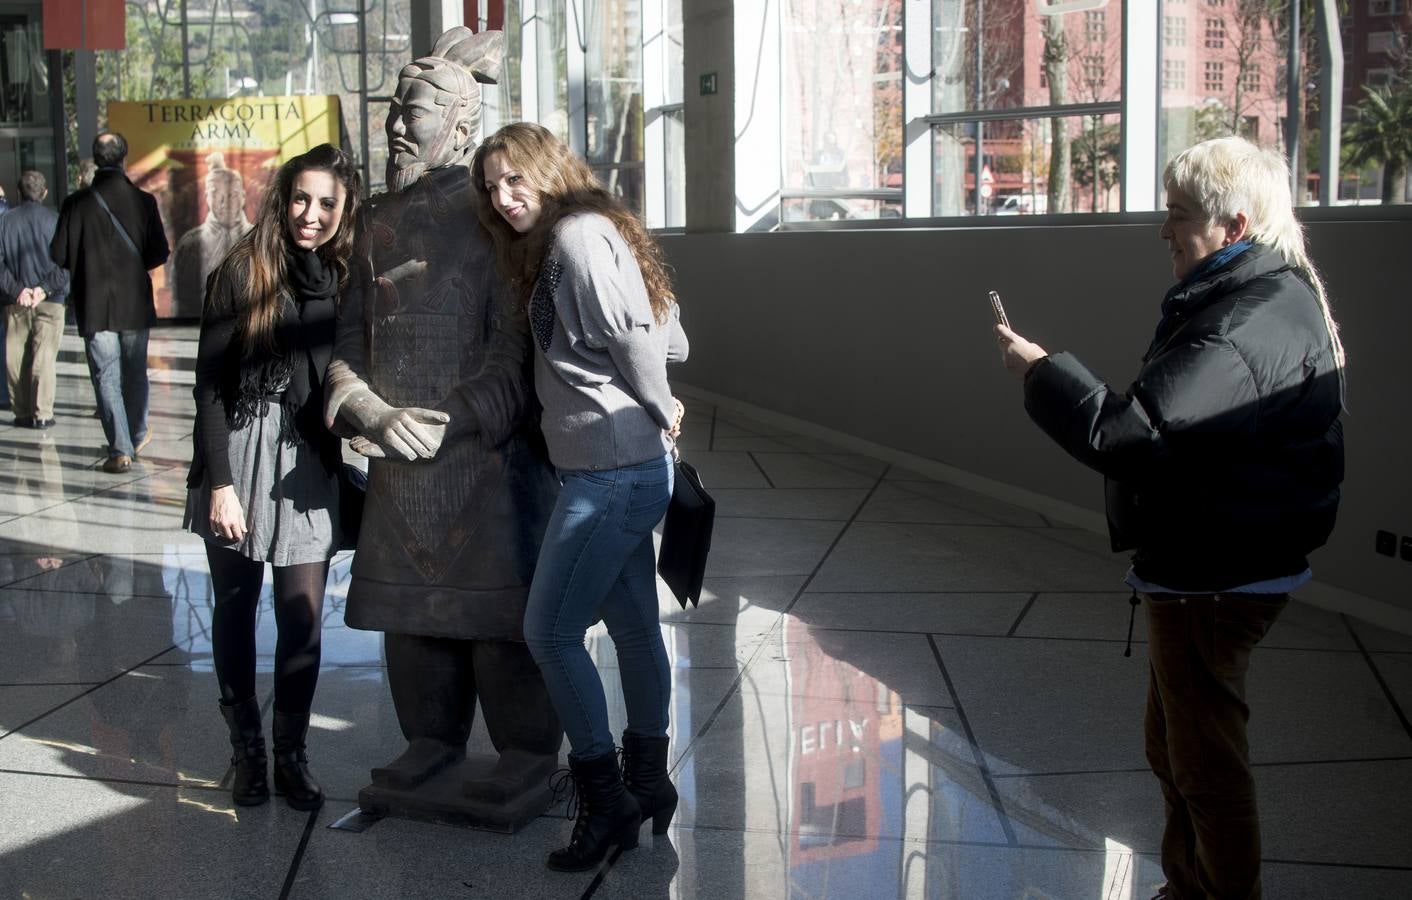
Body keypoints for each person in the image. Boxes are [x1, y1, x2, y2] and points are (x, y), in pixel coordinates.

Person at [996, 136, 1345, 900]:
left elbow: (1136, 435)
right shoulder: (1257, 298)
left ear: (1235, 226)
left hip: (1216, 571)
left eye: (1178, 214)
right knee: (1174, 744)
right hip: (1210, 558)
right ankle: (1188, 885)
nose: (1164, 230)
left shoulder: (1244, 324)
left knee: (1203, 760)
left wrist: (1043, 375)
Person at [323, 27, 564, 829]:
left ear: (462, 125)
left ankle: (529, 751)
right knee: (412, 619)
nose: (397, 123)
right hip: (399, 458)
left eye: (415, 110)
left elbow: (514, 346)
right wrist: (369, 411)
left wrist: (459, 419)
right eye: (393, 106)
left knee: (497, 618)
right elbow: (346, 350)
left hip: (486, 459)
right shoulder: (373, 223)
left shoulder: (493, 219)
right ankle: (431, 740)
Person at [473, 122, 689, 872]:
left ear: (548, 172)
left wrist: (659, 407)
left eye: (515, 180)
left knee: (551, 634)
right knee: (632, 629)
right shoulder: (597, 231)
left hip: (609, 473)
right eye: (492, 187)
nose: (503, 198)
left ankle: (606, 799)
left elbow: (637, 339)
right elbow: (673, 333)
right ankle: (649, 781)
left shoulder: (575, 238)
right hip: (618, 468)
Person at [184, 144, 361, 811]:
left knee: (303, 618)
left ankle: (291, 754)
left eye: (326, 205)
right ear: (282, 197)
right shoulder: (241, 270)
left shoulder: (344, 280)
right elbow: (208, 388)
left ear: (343, 213)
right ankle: (247, 753)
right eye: (301, 199)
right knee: (234, 607)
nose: (310, 215)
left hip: (306, 461)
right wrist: (221, 485)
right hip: (237, 451)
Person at [50, 132, 171, 474]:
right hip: (134, 303)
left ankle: (119, 449)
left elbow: (58, 253)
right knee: (135, 372)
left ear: (96, 159)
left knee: (106, 375)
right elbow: (159, 252)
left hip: (94, 304)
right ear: (123, 159)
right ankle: (136, 435)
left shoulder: (76, 204)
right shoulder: (144, 202)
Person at [1, 171, 70, 428]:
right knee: (45, 356)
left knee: (15, 357)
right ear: (44, 193)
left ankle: (21, 412)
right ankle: (43, 413)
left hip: (15, 301)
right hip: (51, 301)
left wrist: (18, 290)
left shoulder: (4, 222)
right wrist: (44, 288)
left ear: (18, 193)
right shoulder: (56, 221)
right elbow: (66, 264)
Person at [171, 152, 253, 318]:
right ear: (206, 197)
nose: (226, 202)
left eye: (233, 194)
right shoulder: (190, 244)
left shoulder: (260, 238)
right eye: (216, 194)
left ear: (244, 197)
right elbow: (181, 299)